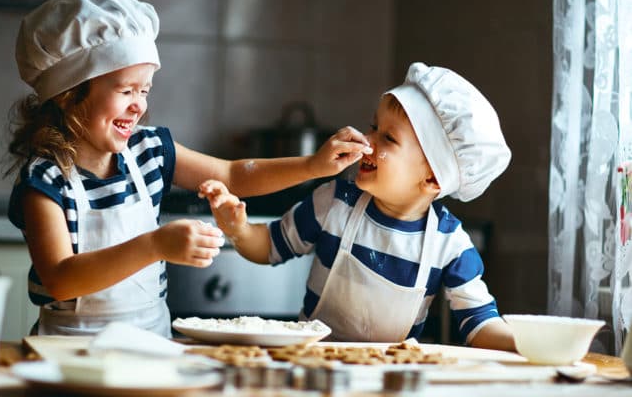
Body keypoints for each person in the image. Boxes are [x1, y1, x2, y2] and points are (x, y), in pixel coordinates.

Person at [5, 0, 372, 337]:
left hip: (149, 348)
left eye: (145, 90)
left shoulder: (150, 151)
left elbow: (232, 175)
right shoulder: (46, 179)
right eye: (126, 90)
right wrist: (154, 245)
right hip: (67, 355)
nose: (139, 106)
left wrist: (312, 166)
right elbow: (59, 279)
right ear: (70, 94)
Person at [199, 62, 516, 351]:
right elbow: (268, 247)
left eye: (388, 138)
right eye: (373, 126)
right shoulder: (334, 202)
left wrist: (528, 344)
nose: (367, 140)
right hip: (311, 368)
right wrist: (238, 229)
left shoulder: (450, 244)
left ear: (433, 178)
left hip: (390, 379)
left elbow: (480, 324)